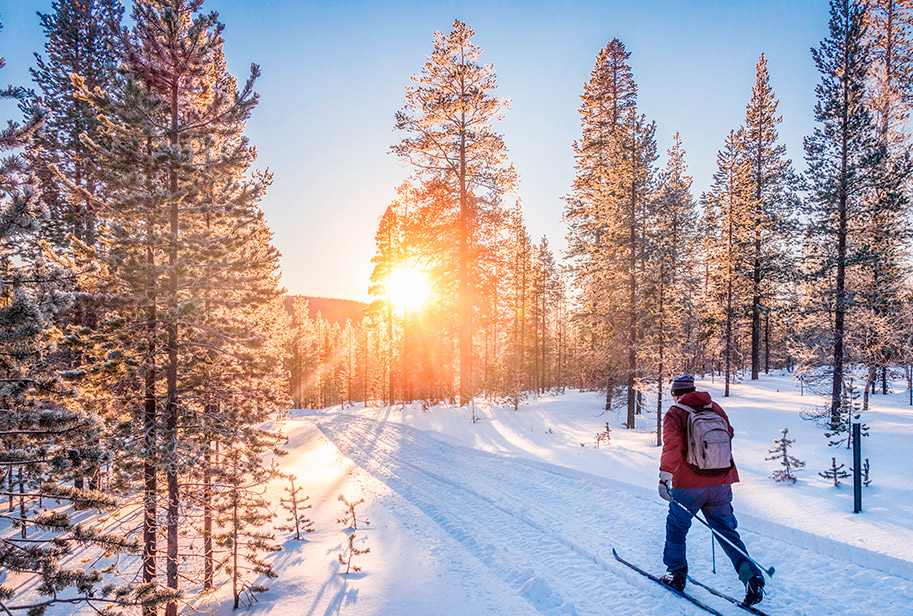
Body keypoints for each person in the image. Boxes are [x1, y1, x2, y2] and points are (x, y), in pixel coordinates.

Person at [657, 375, 765, 606]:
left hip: (688, 485)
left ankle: (676, 575)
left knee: (677, 529)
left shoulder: (675, 412)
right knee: (727, 532)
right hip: (721, 482)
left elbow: (672, 446)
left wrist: (665, 475)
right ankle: (752, 577)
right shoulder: (714, 407)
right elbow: (729, 434)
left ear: (676, 394)